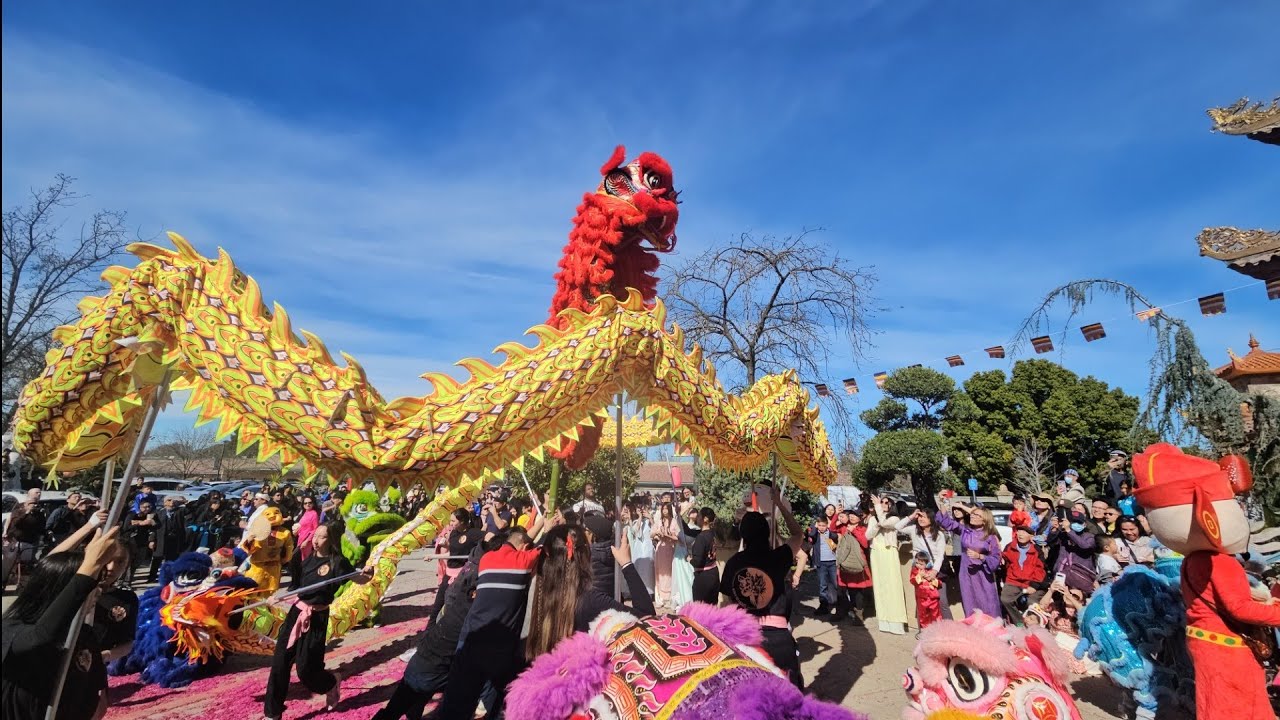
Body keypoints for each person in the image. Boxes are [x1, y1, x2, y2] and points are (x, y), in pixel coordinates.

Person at [2, 527, 121, 720]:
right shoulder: (11, 628)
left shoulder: (83, 634)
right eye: (92, 587)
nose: (97, 594)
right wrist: (89, 567)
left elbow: (98, 692)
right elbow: (41, 638)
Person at [263, 522, 370, 720]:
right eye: (315, 535)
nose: (315, 540)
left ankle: (330, 682)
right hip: (296, 613)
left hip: (317, 618)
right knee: (280, 663)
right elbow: (295, 587)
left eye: (321, 537)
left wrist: (368, 573)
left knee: (306, 670)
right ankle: (272, 713)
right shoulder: (305, 558)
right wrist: (276, 597)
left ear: (331, 540)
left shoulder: (337, 562)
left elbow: (360, 579)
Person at [434, 527, 542, 720]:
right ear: (524, 547)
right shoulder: (523, 560)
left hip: (470, 635)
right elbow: (544, 550)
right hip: (497, 645)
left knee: (457, 698)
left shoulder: (487, 559)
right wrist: (547, 526)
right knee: (494, 694)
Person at [373, 542, 487, 720]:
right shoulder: (468, 613)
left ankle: (412, 711)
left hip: (420, 667)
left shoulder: (459, 595)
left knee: (396, 707)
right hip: (430, 669)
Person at [525, 524, 654, 660]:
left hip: (546, 674)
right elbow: (648, 620)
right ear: (585, 555)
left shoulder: (538, 594)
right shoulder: (590, 601)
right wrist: (627, 564)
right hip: (582, 679)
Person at [720, 487, 806, 688]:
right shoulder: (778, 557)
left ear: (743, 534)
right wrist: (780, 505)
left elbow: (726, 604)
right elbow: (798, 534)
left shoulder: (733, 563)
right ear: (768, 532)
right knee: (789, 694)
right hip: (778, 639)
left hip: (745, 638)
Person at [935, 499, 1001, 618]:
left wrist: (980, 556)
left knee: (987, 603)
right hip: (966, 574)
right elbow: (946, 523)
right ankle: (973, 631)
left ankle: (990, 631)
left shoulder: (991, 536)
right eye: (972, 514)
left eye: (977, 515)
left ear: (985, 519)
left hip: (983, 576)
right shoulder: (965, 530)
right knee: (969, 602)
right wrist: (942, 503)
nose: (973, 516)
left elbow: (996, 559)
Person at [891, 508, 952, 620]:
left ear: (931, 519)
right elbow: (897, 527)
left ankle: (950, 629)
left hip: (935, 570)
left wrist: (934, 571)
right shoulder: (914, 530)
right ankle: (923, 630)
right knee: (921, 600)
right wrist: (911, 516)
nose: (921, 519)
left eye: (924, 516)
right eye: (920, 516)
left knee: (942, 600)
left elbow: (940, 555)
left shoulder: (939, 535)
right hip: (919, 570)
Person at [428, 509, 485, 624]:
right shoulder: (453, 533)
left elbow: (490, 538)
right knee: (437, 606)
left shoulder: (473, 533)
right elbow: (453, 553)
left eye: (453, 521)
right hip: (448, 574)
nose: (451, 524)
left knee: (453, 606)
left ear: (462, 521)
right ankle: (429, 631)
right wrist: (433, 555)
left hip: (462, 577)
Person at [866, 494, 908, 634]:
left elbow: (885, 523)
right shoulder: (873, 518)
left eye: (886, 502)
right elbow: (868, 536)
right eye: (882, 502)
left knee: (892, 585)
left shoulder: (894, 518)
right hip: (876, 553)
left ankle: (897, 622)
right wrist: (876, 525)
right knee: (880, 586)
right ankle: (883, 621)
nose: (883, 504)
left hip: (889, 552)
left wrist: (877, 509)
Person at [999, 524, 1046, 626]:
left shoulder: (1037, 550)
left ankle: (1034, 626)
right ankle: (1020, 622)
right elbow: (1005, 564)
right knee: (1005, 599)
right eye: (1019, 531)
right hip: (1013, 580)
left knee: (1031, 603)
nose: (1020, 534)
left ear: (1031, 536)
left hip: (1031, 581)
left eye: (1024, 532)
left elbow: (1040, 569)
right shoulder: (1009, 547)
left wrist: (1034, 585)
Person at [1046, 503, 1098, 594]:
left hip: (1080, 577)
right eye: (1073, 522)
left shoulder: (1090, 537)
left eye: (1079, 522)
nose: (1075, 524)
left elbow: (1084, 546)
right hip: (1062, 574)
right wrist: (1055, 529)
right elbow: (1051, 542)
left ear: (1084, 524)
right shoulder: (1064, 534)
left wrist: (1069, 531)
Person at [834, 507, 872, 621]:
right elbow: (832, 528)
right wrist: (837, 514)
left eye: (855, 515)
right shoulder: (844, 527)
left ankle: (858, 614)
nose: (852, 516)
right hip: (844, 561)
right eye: (850, 514)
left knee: (857, 591)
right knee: (841, 588)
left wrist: (854, 531)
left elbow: (865, 544)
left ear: (860, 517)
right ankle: (841, 612)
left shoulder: (862, 529)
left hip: (856, 562)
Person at [3, 497, 46, 588]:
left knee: (24, 563)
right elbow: (16, 523)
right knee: (8, 563)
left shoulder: (39, 514)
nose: (34, 505)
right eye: (31, 503)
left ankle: (20, 582)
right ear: (25, 504)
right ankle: (4, 580)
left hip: (29, 541)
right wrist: (26, 513)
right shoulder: (18, 512)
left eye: (35, 504)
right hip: (15, 541)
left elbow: (41, 527)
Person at [681, 507, 718, 605]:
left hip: (704, 578)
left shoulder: (701, 538)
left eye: (699, 516)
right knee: (712, 608)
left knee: (701, 609)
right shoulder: (713, 533)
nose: (697, 518)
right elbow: (688, 531)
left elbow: (697, 562)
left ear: (705, 519)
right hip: (713, 574)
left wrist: (689, 559)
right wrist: (679, 516)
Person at [147, 497, 188, 583]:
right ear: (164, 503)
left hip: (174, 539)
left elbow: (192, 508)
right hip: (161, 539)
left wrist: (184, 501)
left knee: (171, 559)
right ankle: (152, 577)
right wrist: (152, 540)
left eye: (173, 501)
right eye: (169, 501)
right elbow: (153, 528)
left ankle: (169, 577)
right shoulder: (159, 513)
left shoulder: (179, 512)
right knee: (157, 559)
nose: (171, 503)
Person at [651, 500, 680, 610]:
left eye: (666, 509)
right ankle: (660, 597)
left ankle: (669, 597)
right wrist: (657, 534)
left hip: (670, 549)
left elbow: (678, 537)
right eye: (663, 509)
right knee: (660, 573)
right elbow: (651, 534)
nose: (664, 511)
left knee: (669, 573)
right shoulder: (659, 521)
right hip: (660, 549)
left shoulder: (674, 521)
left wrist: (669, 536)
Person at [123, 501, 156, 589]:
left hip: (143, 542)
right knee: (129, 562)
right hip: (132, 541)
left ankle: (128, 580)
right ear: (140, 507)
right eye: (145, 507)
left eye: (149, 507)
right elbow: (126, 527)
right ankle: (125, 582)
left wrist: (141, 522)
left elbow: (154, 526)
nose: (147, 509)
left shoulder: (150, 516)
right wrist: (141, 523)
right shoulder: (132, 514)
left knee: (138, 561)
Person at [624, 503, 655, 599]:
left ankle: (650, 592)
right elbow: (636, 532)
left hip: (648, 546)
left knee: (649, 570)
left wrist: (650, 518)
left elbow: (655, 529)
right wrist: (640, 517)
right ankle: (641, 592)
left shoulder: (650, 520)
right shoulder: (635, 522)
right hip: (638, 548)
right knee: (639, 570)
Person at [810, 515, 838, 616]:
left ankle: (841, 604)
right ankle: (824, 606)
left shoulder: (830, 533)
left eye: (823, 525)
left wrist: (830, 528)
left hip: (832, 562)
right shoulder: (816, 535)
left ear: (827, 525)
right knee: (823, 585)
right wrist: (815, 526)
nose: (822, 527)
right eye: (820, 525)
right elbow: (811, 534)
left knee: (836, 583)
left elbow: (835, 536)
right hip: (821, 563)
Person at [670, 507, 697, 609]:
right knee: (679, 578)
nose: (694, 513)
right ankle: (680, 599)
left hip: (688, 555)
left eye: (695, 512)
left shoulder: (697, 529)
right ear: (688, 515)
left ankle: (689, 599)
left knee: (689, 577)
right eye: (692, 511)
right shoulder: (684, 527)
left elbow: (690, 539)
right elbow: (681, 527)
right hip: (679, 555)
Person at [909, 552, 942, 630]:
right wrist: (919, 576)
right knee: (923, 616)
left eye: (921, 564)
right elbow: (912, 581)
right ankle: (925, 631)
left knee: (936, 615)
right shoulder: (915, 571)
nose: (918, 565)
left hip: (933, 598)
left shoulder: (931, 571)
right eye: (916, 563)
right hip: (922, 598)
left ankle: (938, 630)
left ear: (927, 564)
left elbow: (939, 584)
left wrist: (933, 579)